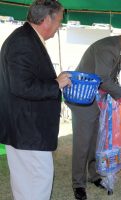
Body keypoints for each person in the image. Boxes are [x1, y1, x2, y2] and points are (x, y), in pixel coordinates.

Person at [0, 1, 71, 200]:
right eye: (59, 20)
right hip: (28, 131)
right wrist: (55, 84)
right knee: (37, 181)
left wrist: (56, 80)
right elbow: (22, 86)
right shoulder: (22, 42)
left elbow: (29, 78)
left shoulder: (26, 38)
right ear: (47, 19)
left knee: (26, 184)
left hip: (25, 129)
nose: (59, 26)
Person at [66, 26, 121, 200]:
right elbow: (102, 78)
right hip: (82, 96)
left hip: (93, 98)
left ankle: (93, 175)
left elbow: (111, 77)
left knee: (95, 139)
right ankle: (78, 185)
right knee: (82, 143)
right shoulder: (108, 48)